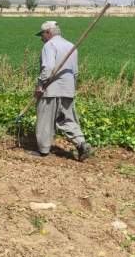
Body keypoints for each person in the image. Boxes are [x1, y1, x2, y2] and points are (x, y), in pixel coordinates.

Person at [31, 20, 92, 161]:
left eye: (42, 34)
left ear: (48, 33)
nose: (41, 38)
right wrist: (71, 86)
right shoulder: (71, 46)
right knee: (67, 119)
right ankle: (81, 143)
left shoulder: (49, 45)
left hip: (51, 89)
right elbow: (75, 72)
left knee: (45, 119)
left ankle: (43, 150)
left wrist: (40, 85)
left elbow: (48, 68)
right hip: (68, 88)